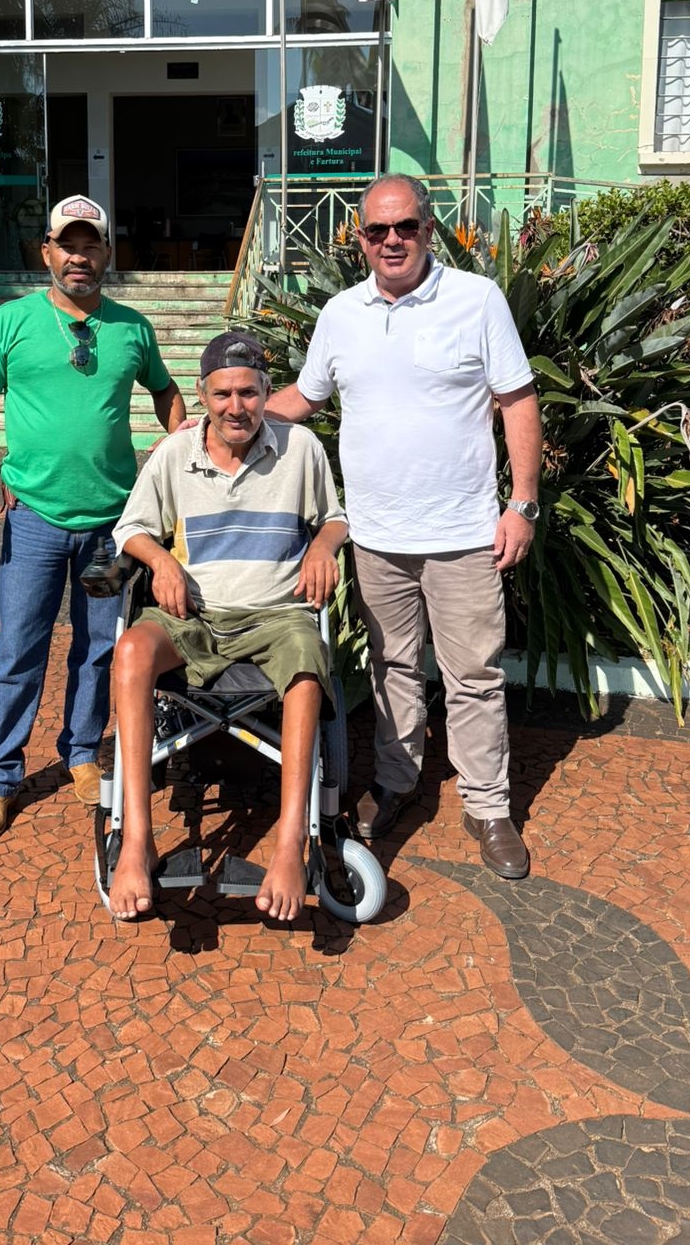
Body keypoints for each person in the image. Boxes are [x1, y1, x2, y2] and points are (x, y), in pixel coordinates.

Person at [267, 175, 542, 879]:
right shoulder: (341, 313)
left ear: (429, 229)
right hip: (377, 537)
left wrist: (522, 504)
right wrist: (226, 417)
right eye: (377, 230)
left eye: (405, 227)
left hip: (463, 535)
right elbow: (305, 396)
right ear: (360, 239)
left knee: (473, 674)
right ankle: (396, 781)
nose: (391, 241)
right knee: (389, 667)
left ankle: (488, 805)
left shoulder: (476, 299)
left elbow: (517, 400)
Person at [0, 194, 185, 841]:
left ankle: (83, 752)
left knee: (98, 647)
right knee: (19, 648)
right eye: (68, 245)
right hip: (33, 521)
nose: (79, 257)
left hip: (110, 530)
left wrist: (176, 455)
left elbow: (166, 391)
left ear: (107, 253)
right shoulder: (11, 321)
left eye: (91, 246)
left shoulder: (131, 328)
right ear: (47, 252)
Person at [106, 331, 348, 921]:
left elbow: (335, 518)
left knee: (307, 663)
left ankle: (290, 844)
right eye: (222, 394)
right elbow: (130, 529)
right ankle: (136, 840)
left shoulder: (300, 449)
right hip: (194, 614)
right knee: (131, 651)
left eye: (248, 392)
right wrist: (161, 561)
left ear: (267, 391)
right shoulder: (174, 454)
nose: (235, 407)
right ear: (202, 394)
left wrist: (323, 546)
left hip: (276, 613)